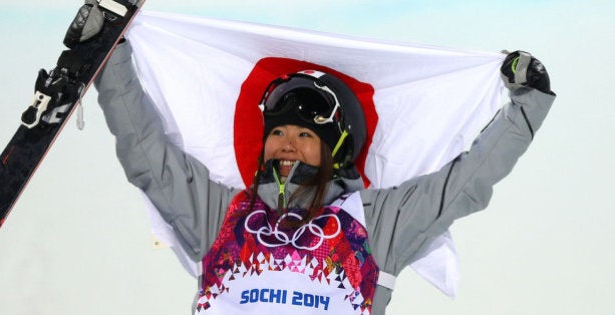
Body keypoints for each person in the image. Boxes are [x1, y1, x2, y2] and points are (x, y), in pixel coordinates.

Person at [95, 40, 555, 315]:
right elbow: (145, 153)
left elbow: (466, 182)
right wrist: (108, 52)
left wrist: (527, 103)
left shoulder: (375, 223)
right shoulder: (220, 213)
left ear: (338, 147)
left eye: (304, 133)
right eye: (277, 131)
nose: (286, 143)